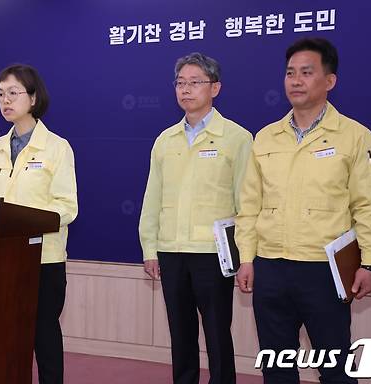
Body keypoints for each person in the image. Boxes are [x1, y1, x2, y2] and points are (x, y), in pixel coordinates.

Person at [235, 37, 371, 383]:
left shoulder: (353, 136)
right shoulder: (266, 137)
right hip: (271, 268)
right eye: (290, 73)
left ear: (329, 81)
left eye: (307, 72)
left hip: (324, 271)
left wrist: (370, 262)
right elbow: (249, 206)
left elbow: (367, 205)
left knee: (335, 369)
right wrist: (247, 258)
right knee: (276, 368)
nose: (296, 80)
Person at [138, 52, 252, 384]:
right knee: (181, 335)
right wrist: (150, 248)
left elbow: (247, 203)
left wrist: (246, 256)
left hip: (213, 254)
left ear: (215, 88)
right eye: (180, 83)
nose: (186, 90)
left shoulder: (237, 138)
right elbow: (152, 199)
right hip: (171, 251)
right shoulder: (165, 140)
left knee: (218, 334)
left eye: (195, 82)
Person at [0, 64, 78, 384]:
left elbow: (67, 207)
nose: (5, 100)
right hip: (2, 259)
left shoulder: (57, 147)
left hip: (43, 259)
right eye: (1, 94)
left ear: (33, 99)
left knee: (43, 337)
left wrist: (28, 221)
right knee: (6, 340)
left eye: (13, 93)